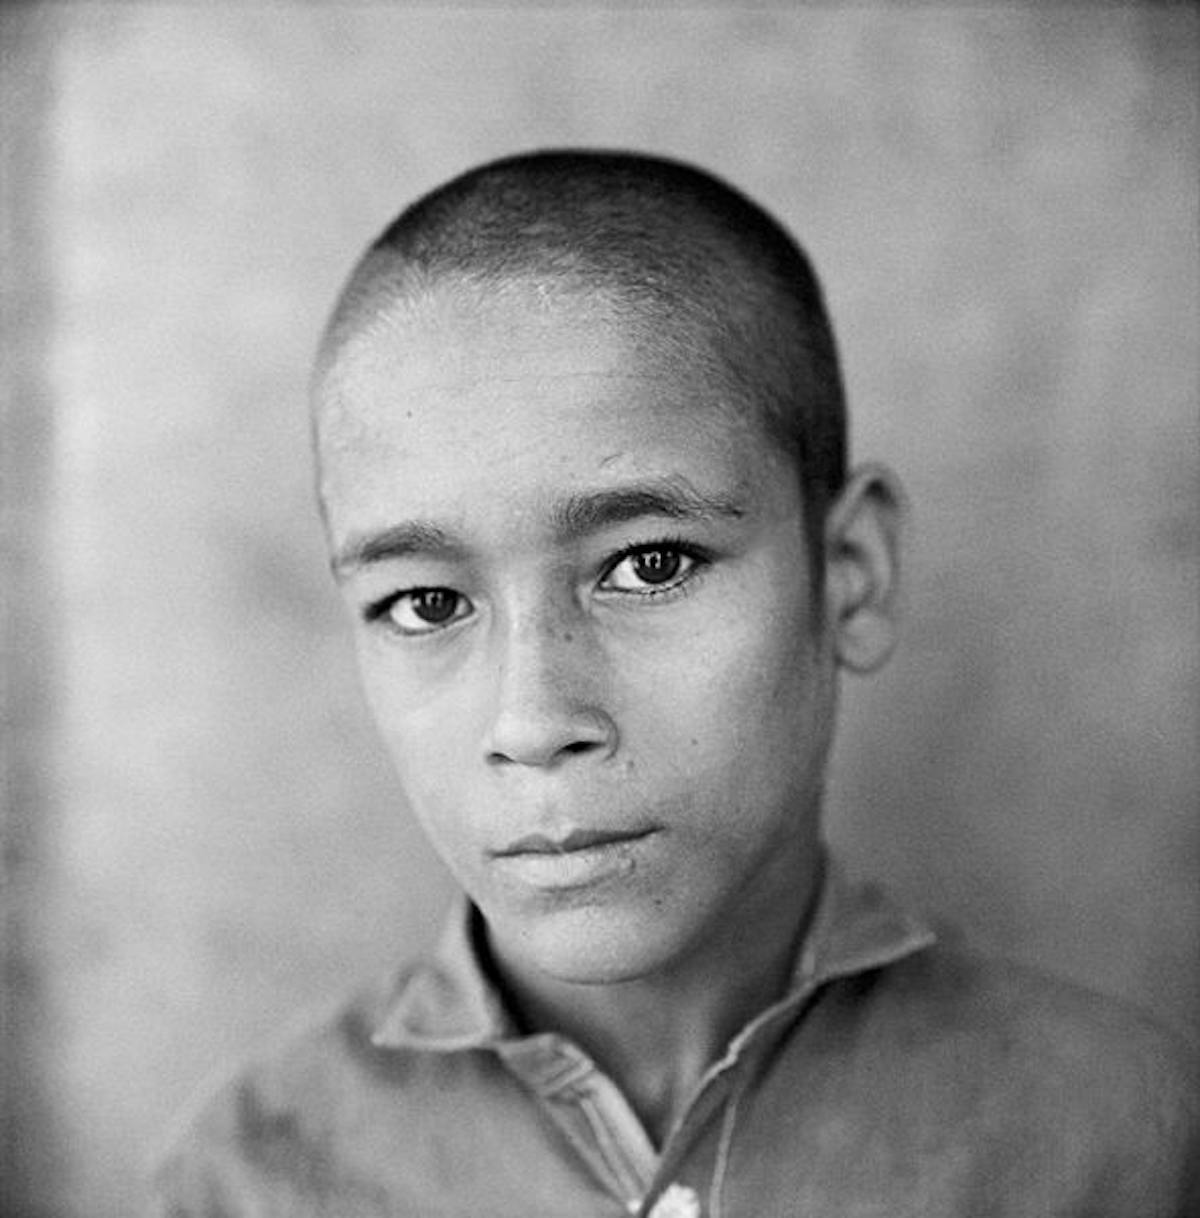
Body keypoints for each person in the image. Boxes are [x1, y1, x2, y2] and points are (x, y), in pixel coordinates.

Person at [152, 150, 1198, 1218]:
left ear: (850, 574)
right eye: (425, 604)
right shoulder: (248, 1181)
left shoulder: (1123, 1140)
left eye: (650, 565)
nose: (533, 720)